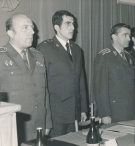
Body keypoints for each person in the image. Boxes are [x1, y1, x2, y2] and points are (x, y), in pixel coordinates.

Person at [1, 13, 52, 144]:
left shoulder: (38, 57)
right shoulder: (1, 57)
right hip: (11, 128)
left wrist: (47, 122)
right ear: (10, 33)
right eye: (25, 27)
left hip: (38, 127)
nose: (32, 31)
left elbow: (44, 93)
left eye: (32, 27)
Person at [37, 10, 87, 137]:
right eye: (68, 24)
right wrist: (45, 115)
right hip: (55, 114)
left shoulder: (76, 49)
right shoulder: (45, 48)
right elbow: (40, 84)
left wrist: (83, 108)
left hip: (74, 113)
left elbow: (81, 80)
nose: (73, 28)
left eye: (73, 24)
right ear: (57, 27)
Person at [93, 23, 135, 124]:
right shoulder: (104, 56)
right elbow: (100, 89)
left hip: (130, 109)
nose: (129, 39)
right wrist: (105, 114)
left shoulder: (128, 56)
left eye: (129, 35)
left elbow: (133, 84)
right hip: (114, 111)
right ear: (114, 37)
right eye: (125, 35)